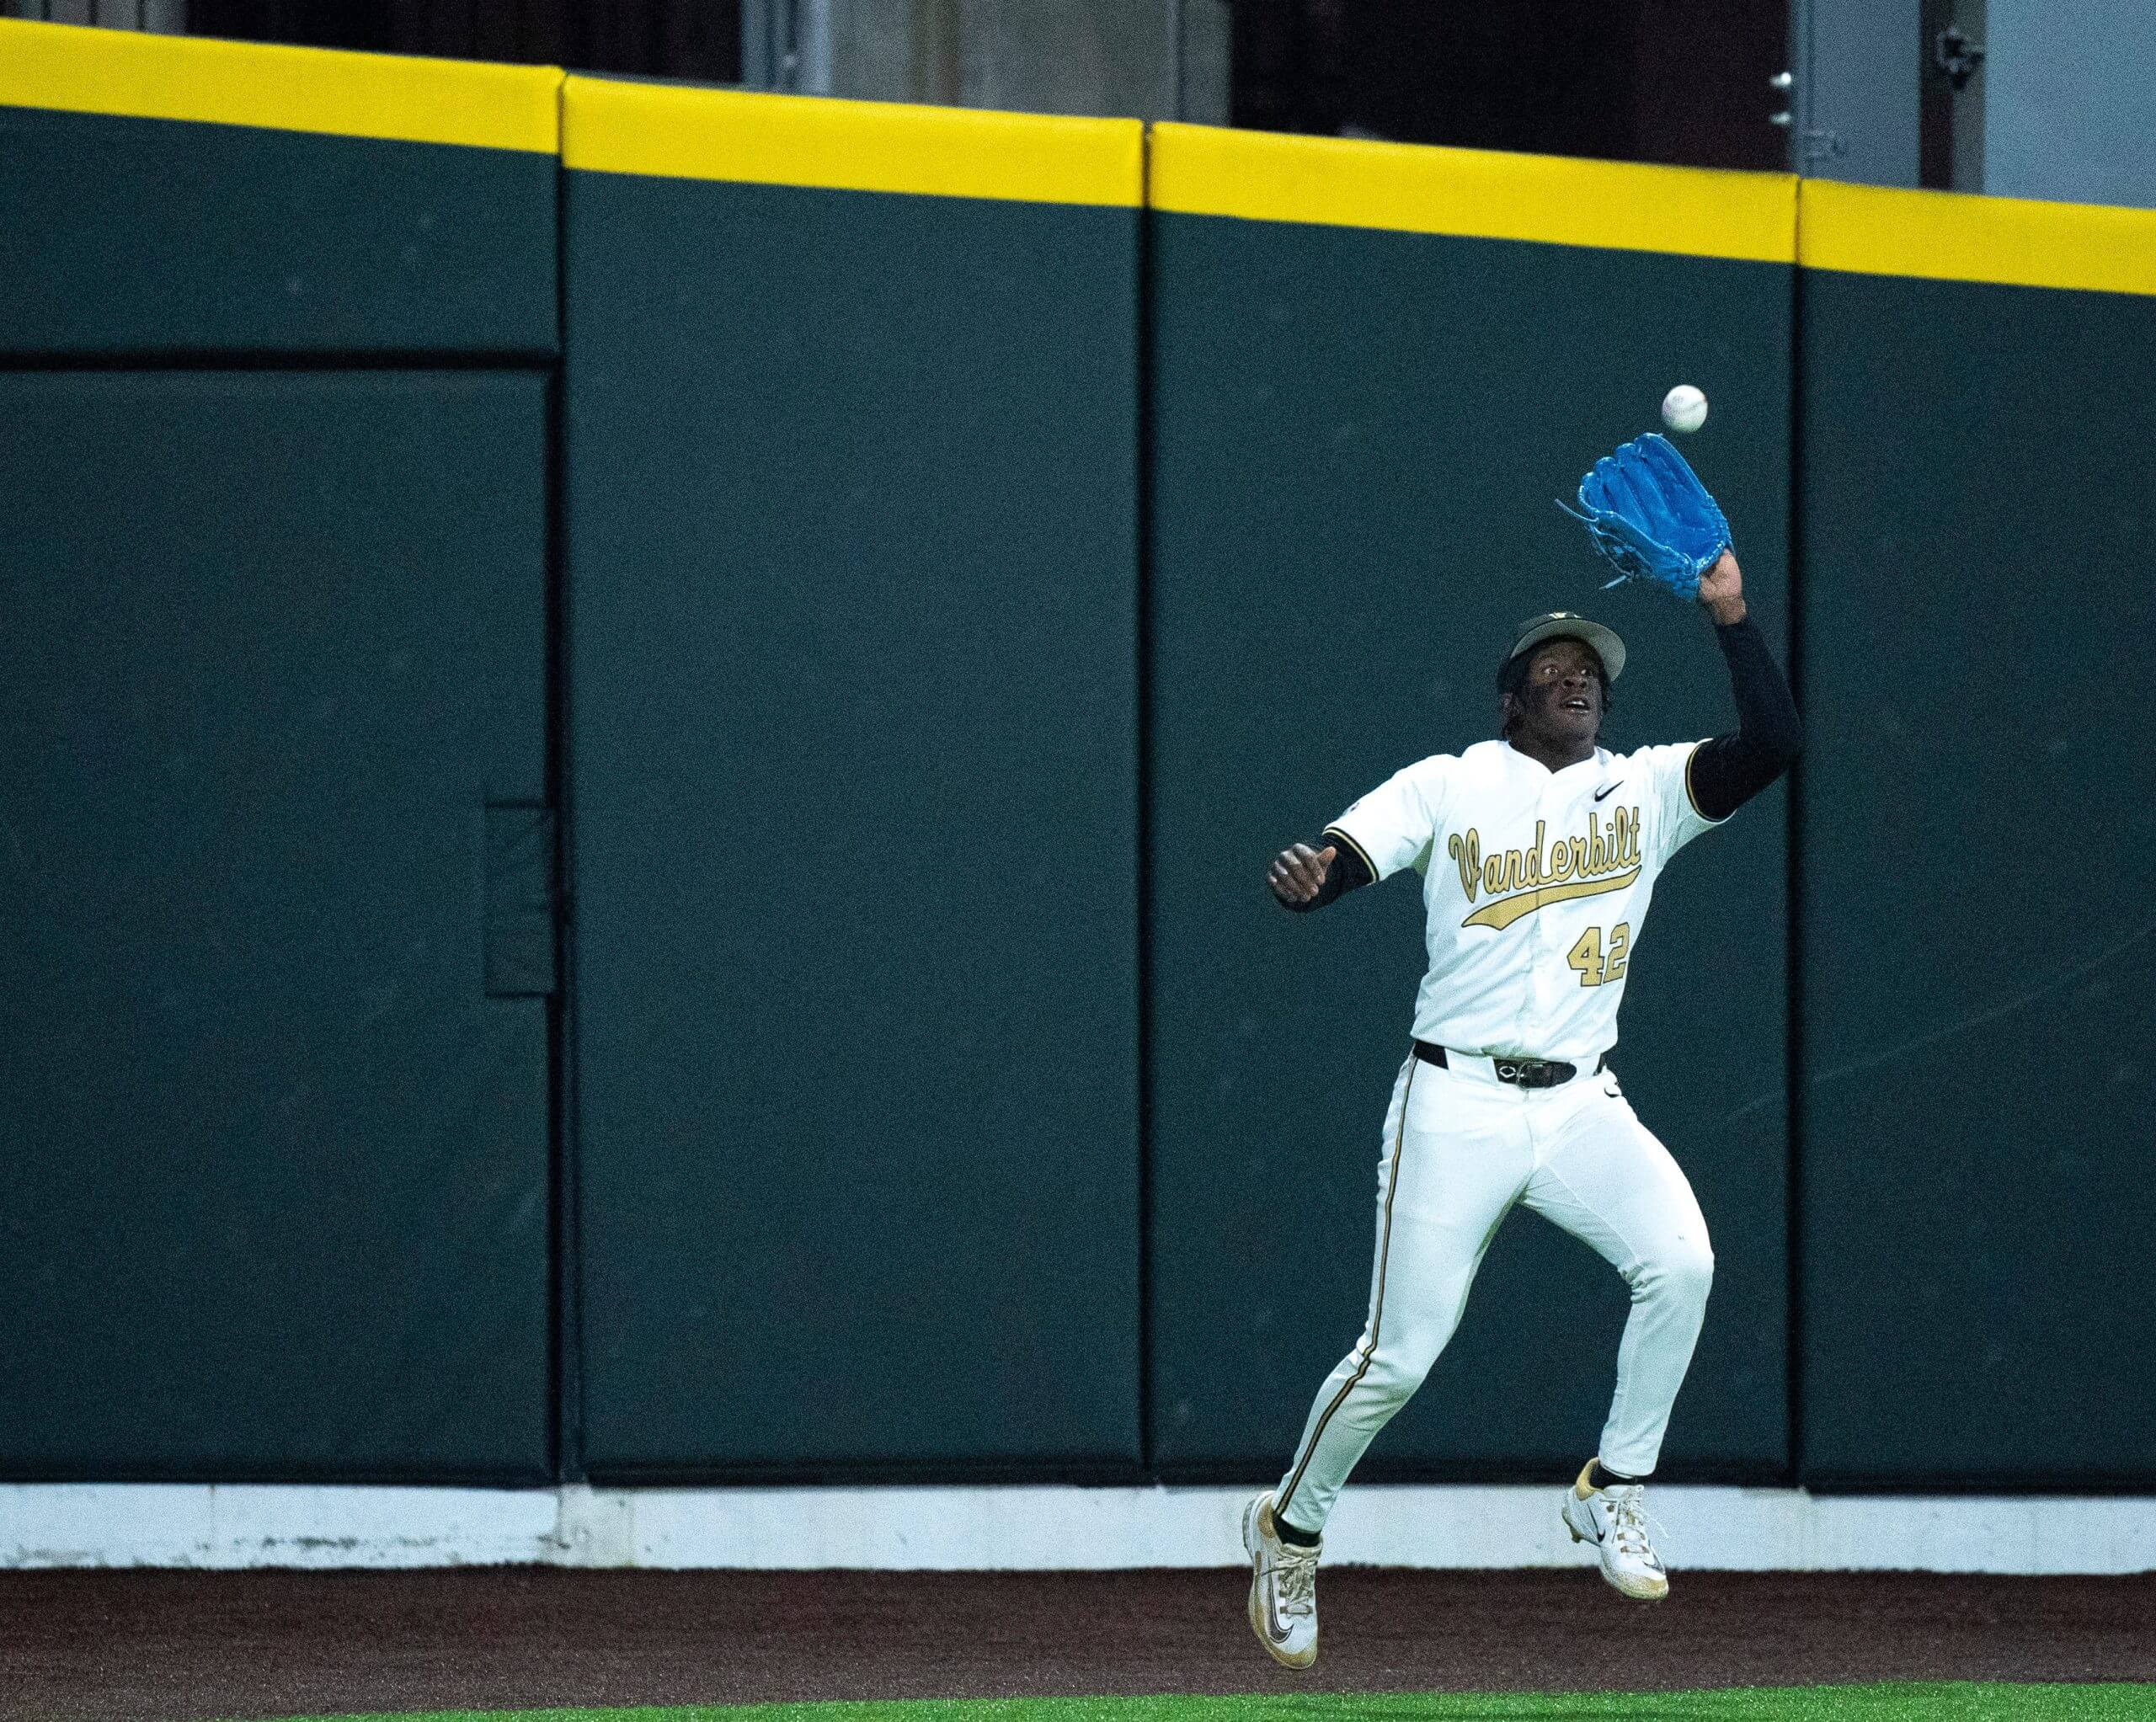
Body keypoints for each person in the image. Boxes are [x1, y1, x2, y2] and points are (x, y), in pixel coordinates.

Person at [1242, 547, 1800, 1669]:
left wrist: (1732, 614)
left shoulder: (1648, 790)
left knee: (1682, 1262)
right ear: (1510, 698)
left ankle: (1615, 1485)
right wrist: (1318, 880)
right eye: (1553, 664)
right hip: (1456, 1101)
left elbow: (1775, 744)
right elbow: (1351, 853)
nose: (1578, 675)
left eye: (1591, 667)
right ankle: (1289, 1529)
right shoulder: (1449, 783)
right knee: (1399, 1357)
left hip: (1583, 1101)